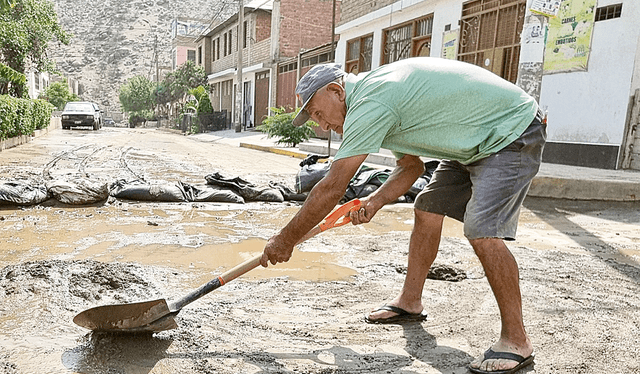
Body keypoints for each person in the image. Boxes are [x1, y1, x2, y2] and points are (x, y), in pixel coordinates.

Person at [260, 57, 545, 374]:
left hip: (510, 131)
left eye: (317, 113)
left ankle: (517, 341)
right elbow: (411, 167)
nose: (322, 125)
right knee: (427, 207)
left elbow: (332, 187)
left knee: (482, 230)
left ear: (335, 90)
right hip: (473, 142)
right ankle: (410, 301)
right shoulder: (373, 98)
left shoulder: (370, 102)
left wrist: (285, 239)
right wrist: (375, 199)